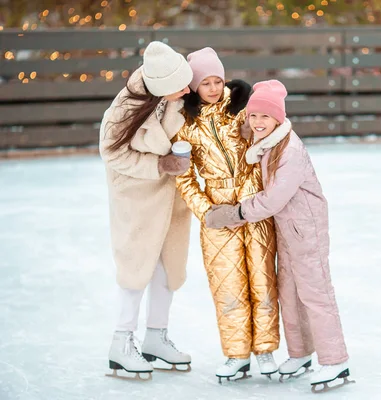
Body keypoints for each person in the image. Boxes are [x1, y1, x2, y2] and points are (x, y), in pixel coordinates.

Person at [205, 80, 352, 392]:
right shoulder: (267, 143)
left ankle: (336, 360)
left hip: (306, 230)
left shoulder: (290, 151)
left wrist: (235, 214)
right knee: (288, 293)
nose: (257, 122)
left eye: (265, 117)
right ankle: (300, 354)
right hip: (287, 229)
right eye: (253, 116)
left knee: (315, 293)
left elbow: (273, 199)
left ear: (278, 119)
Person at [175, 48, 279, 381]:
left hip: (253, 204)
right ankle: (237, 354)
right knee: (228, 284)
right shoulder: (185, 125)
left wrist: (253, 197)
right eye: (205, 82)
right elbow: (184, 176)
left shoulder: (241, 111)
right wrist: (206, 211)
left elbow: (266, 138)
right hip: (218, 210)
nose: (214, 88)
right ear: (194, 87)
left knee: (262, 279)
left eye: (218, 81)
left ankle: (265, 350)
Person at [99, 41, 193, 379]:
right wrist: (160, 165)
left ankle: (156, 337)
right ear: (161, 87)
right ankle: (121, 341)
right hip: (138, 197)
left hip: (171, 197)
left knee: (168, 266)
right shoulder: (123, 110)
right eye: (179, 85)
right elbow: (112, 154)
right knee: (136, 267)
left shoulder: (176, 95)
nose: (187, 89)